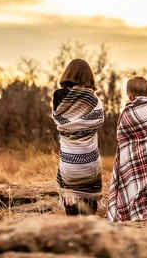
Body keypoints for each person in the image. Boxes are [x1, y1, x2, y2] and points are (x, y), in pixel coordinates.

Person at [107, 76, 147, 222]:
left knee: (132, 189)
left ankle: (133, 218)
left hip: (130, 161)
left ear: (129, 95)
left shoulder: (126, 113)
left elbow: (120, 136)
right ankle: (144, 218)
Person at [52, 58, 105, 216]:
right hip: (89, 160)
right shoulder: (93, 99)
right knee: (90, 202)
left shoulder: (59, 95)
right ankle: (88, 223)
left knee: (67, 186)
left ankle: (71, 208)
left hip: (69, 161)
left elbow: (59, 119)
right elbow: (99, 119)